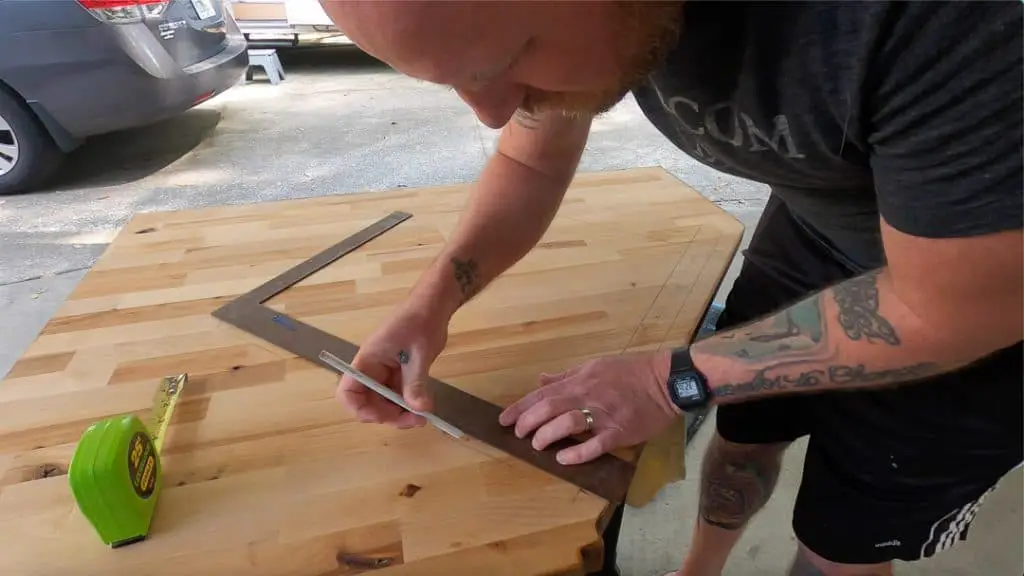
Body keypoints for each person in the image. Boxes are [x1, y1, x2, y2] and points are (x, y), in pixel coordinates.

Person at [320, 2, 1023, 575]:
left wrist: (668, 382)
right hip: (819, 220)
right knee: (744, 434)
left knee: (842, 540)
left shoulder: (955, 24)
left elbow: (947, 307)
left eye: (503, 63)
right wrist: (430, 303)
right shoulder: (598, 24)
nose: (492, 110)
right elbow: (531, 160)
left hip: (985, 309)